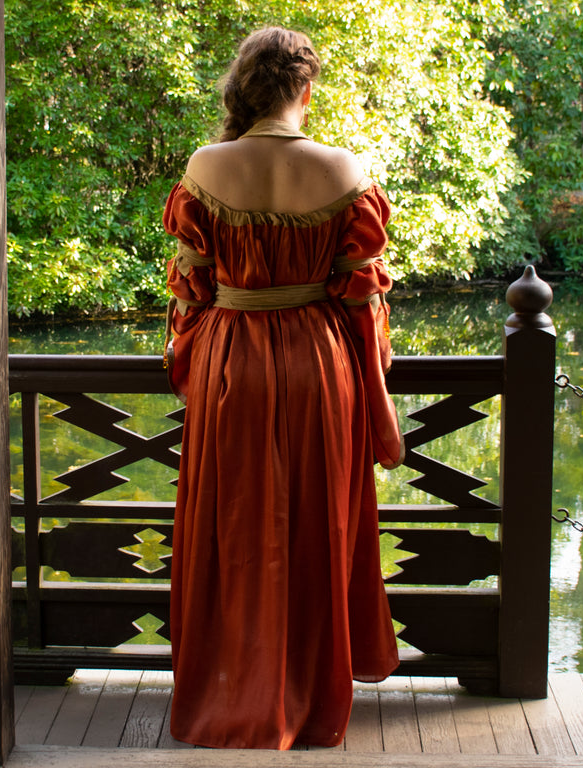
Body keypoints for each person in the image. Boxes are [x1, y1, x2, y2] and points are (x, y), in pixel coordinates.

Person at [162, 26, 405, 750]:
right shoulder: (343, 170)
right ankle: (308, 698)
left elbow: (192, 292)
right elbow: (361, 302)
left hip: (231, 366)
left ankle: (229, 694)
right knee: (313, 527)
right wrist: (375, 384)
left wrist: (190, 356)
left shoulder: (206, 167)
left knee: (229, 528)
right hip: (317, 368)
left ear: (244, 89)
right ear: (306, 89)